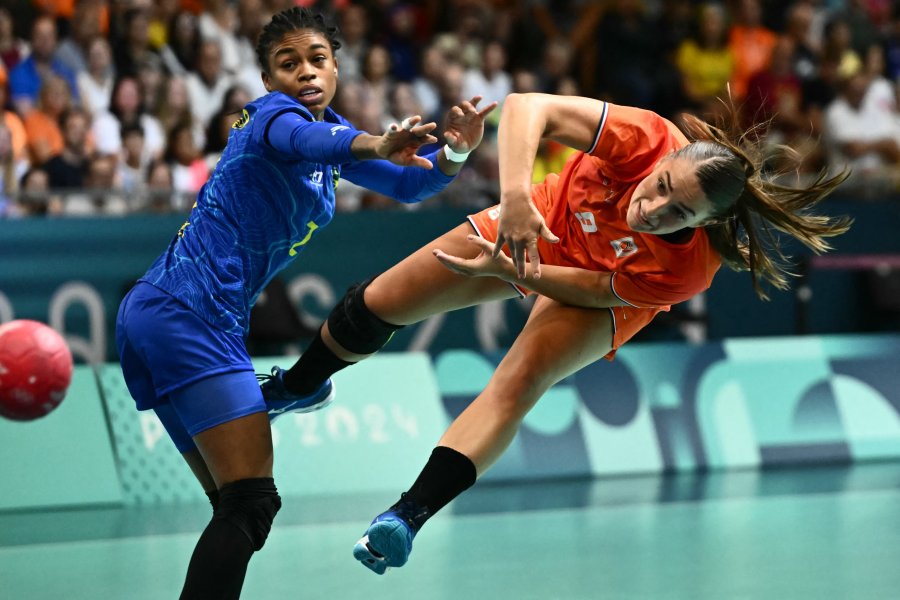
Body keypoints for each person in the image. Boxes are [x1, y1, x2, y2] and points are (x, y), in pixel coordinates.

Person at [262, 91, 852, 575]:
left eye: (679, 215)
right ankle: (301, 386)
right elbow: (525, 108)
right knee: (378, 302)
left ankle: (406, 516)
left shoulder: (687, 269)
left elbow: (595, 292)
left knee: (521, 380)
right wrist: (516, 199)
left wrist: (510, 270)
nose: (654, 209)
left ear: (706, 224)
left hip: (602, 286)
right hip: (546, 216)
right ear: (666, 161)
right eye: (663, 187)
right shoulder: (644, 136)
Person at [114, 7, 495, 599]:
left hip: (161, 312)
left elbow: (412, 183)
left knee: (236, 509)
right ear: (269, 80)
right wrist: (374, 140)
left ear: (335, 67)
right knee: (251, 503)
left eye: (318, 60)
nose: (306, 73)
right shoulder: (274, 117)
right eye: (287, 64)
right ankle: (284, 392)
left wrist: (456, 154)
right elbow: (311, 139)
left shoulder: (331, 136)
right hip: (190, 313)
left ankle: (281, 393)